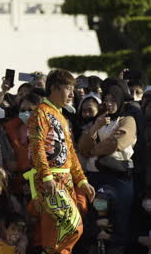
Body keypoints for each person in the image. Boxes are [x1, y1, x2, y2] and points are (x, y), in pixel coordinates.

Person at [26, 69, 95, 254]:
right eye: (68, 88)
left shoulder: (62, 117)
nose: (72, 94)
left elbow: (71, 152)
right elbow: (37, 146)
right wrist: (47, 177)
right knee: (65, 230)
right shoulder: (41, 112)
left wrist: (82, 181)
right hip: (50, 182)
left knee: (65, 232)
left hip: (66, 182)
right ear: (54, 89)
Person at [78, 84, 136, 253]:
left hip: (118, 179)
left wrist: (93, 151)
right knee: (95, 225)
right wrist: (95, 128)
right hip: (96, 178)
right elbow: (82, 147)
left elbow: (117, 142)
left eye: (113, 100)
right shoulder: (101, 120)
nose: (109, 104)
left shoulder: (127, 120)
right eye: (106, 100)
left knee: (116, 225)